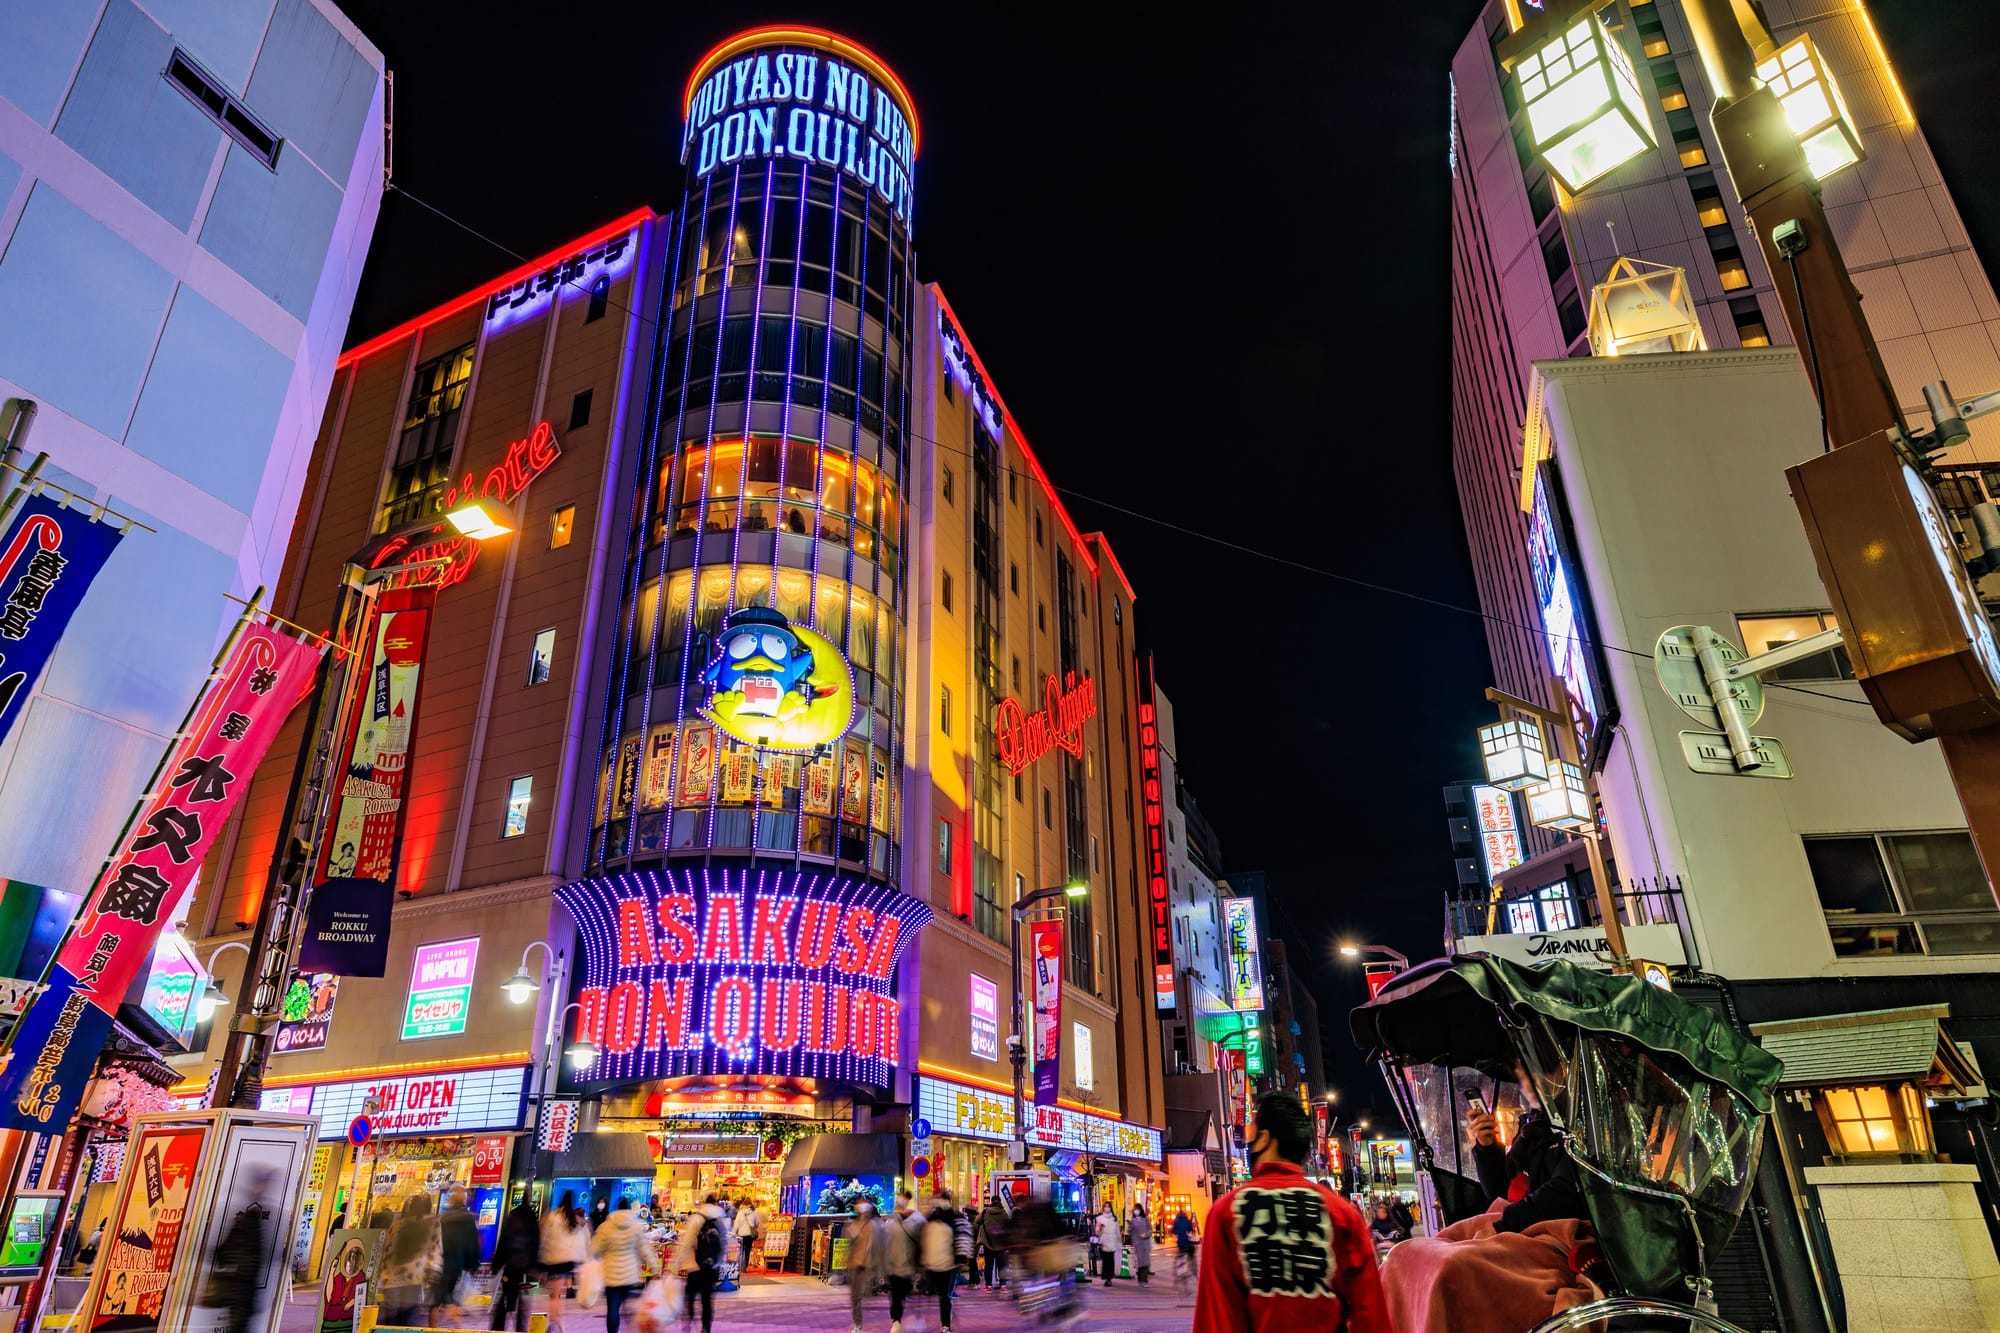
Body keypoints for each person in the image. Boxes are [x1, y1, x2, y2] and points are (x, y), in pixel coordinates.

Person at [1193, 1092, 1391, 1333]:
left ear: (1264, 1139)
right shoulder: (1343, 1215)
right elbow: (1371, 1316)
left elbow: (1215, 1319)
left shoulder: (1226, 1213)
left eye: (1252, 1131)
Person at [207, 1171, 274, 1333]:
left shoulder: (246, 1218)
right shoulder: (251, 1220)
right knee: (239, 1327)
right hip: (242, 1291)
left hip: (238, 1290)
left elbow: (222, 1254)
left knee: (238, 1327)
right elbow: (246, 1258)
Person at [593, 1197, 660, 1333]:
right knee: (626, 1306)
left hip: (611, 1274)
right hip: (629, 1275)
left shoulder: (605, 1227)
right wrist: (654, 1267)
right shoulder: (636, 1226)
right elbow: (644, 1249)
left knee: (613, 1308)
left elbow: (595, 1250)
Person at [380, 1195, 442, 1325]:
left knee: (391, 1317)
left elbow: (386, 1248)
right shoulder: (432, 1224)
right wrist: (434, 1273)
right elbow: (435, 1250)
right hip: (414, 1276)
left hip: (391, 1276)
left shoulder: (398, 1224)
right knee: (408, 1316)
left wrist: (383, 1273)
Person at [491, 1195, 540, 1332]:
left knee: (506, 1294)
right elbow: (535, 1242)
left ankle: (498, 1326)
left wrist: (497, 1264)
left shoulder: (513, 1216)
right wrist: (533, 1264)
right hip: (523, 1262)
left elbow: (504, 1239)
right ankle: (520, 1327)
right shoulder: (531, 1218)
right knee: (520, 1297)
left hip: (511, 1261)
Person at [540, 1189, 588, 1328]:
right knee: (555, 1294)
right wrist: (580, 1259)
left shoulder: (553, 1217)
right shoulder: (574, 1220)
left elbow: (544, 1238)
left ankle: (558, 1324)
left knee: (555, 1295)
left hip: (554, 1260)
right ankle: (554, 1322)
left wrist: (541, 1259)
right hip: (567, 1261)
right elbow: (581, 1241)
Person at [680, 1195, 725, 1332]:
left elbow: (686, 1243)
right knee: (707, 1300)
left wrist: (675, 1264)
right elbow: (723, 1244)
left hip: (694, 1266)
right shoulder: (720, 1220)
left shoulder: (696, 1218)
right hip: (712, 1267)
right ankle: (705, 1328)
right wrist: (719, 1262)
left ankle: (687, 1326)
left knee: (690, 1298)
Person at [920, 1191, 963, 1333]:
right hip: (937, 1262)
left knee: (943, 1295)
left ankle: (945, 1324)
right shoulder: (943, 1217)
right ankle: (945, 1322)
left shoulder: (946, 1217)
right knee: (942, 1294)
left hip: (945, 1263)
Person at [436, 1187, 482, 1317]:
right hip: (459, 1261)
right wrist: (473, 1264)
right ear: (464, 1200)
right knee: (456, 1294)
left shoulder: (443, 1217)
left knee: (445, 1292)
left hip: (444, 1260)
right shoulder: (468, 1217)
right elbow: (472, 1242)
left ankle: (447, 1310)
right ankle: (453, 1313)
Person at [842, 1198, 885, 1333]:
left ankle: (868, 1292)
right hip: (855, 1264)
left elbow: (881, 1246)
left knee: (866, 1293)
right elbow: (849, 1245)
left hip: (869, 1264)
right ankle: (858, 1324)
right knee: (855, 1296)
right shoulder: (852, 1225)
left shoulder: (876, 1226)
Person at [1093, 1203, 1120, 1286]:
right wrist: (1100, 1228)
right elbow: (1097, 1232)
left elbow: (1117, 1231)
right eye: (1105, 1206)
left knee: (1111, 1260)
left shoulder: (1114, 1219)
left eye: (1108, 1206)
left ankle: (1109, 1278)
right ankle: (1106, 1277)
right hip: (1104, 1242)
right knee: (1105, 1261)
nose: (1107, 1208)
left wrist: (1119, 1241)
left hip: (1112, 1242)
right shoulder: (1100, 1219)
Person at [732, 1196, 761, 1272]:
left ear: (743, 1205)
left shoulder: (740, 1213)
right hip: (749, 1235)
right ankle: (744, 1267)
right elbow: (757, 1223)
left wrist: (733, 1234)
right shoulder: (754, 1212)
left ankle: (740, 1266)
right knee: (747, 1251)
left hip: (741, 1235)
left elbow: (736, 1225)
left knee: (741, 1251)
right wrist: (753, 1226)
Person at [1128, 1204, 1153, 1285]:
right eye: (1135, 1209)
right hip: (1137, 1244)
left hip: (1145, 1243)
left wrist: (1145, 1235)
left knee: (1145, 1262)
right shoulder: (1132, 1220)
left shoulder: (1145, 1219)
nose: (1136, 1211)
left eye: (1137, 1209)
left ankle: (1144, 1280)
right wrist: (1130, 1226)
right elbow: (1130, 1232)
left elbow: (1150, 1230)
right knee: (1139, 1262)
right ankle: (1140, 1279)